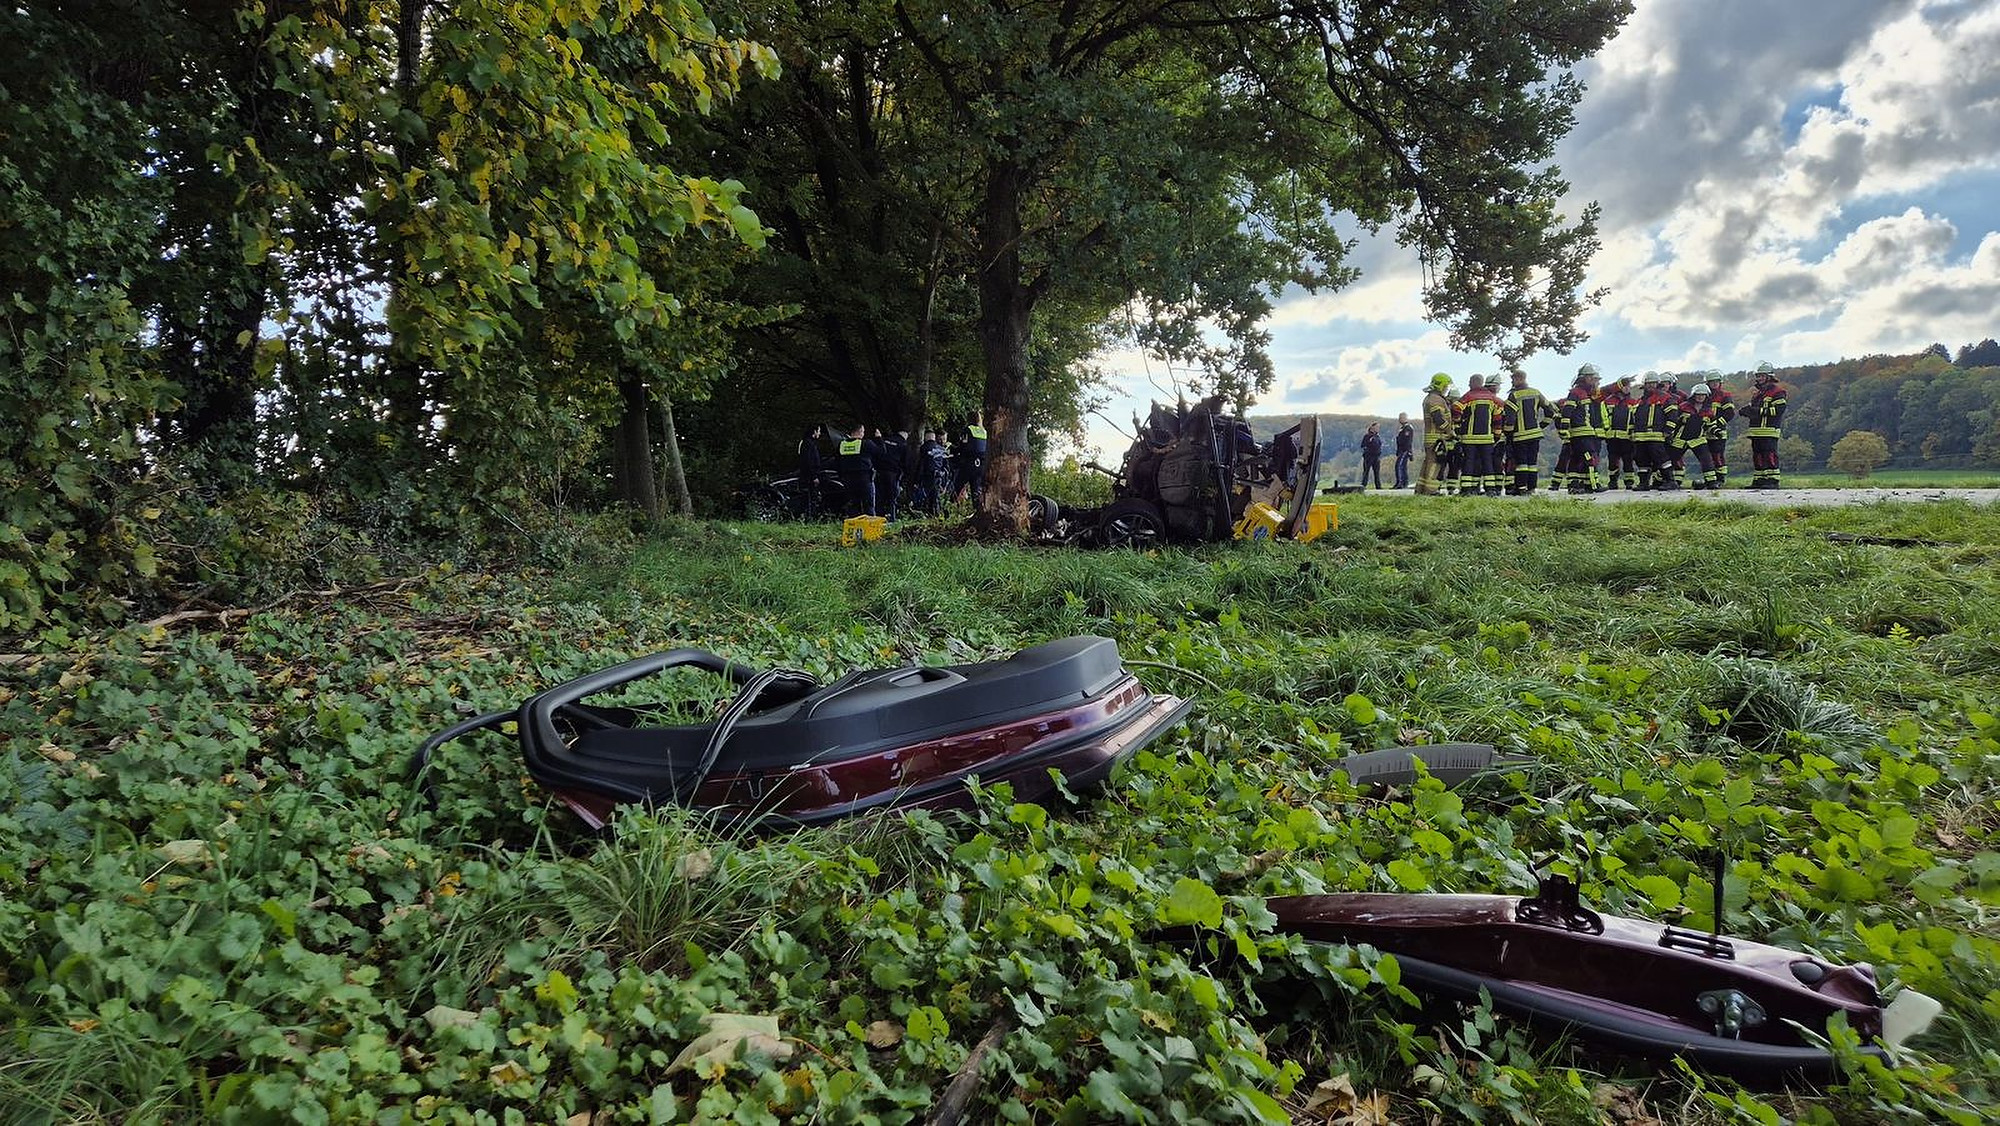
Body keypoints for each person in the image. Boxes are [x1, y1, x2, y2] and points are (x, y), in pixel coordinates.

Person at [1502, 370, 1552, 495]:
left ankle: (1521, 488)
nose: (1512, 382)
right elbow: (1551, 411)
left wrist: (1507, 434)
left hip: (1520, 436)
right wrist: (1541, 425)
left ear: (1519, 379)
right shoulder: (1536, 393)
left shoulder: (1514, 395)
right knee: (1532, 464)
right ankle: (1532, 488)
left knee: (1521, 464)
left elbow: (1510, 419)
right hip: (1535, 435)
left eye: (1513, 379)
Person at [1556, 364, 1603, 493]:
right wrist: (1564, 428)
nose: (1592, 379)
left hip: (1584, 433)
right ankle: (1593, 485)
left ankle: (1575, 485)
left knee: (1576, 459)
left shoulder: (1586, 393)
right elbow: (1567, 411)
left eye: (1592, 377)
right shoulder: (1576, 393)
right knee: (1590, 458)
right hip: (1581, 433)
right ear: (1583, 378)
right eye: (1589, 377)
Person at [1456, 375, 1505, 496]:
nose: (1468, 384)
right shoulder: (1493, 398)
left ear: (1473, 383)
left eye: (1469, 382)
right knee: (1488, 463)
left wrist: (1458, 426)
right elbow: (1497, 419)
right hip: (1487, 439)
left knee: (1469, 462)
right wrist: (1497, 435)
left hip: (1469, 438)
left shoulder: (1468, 396)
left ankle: (1466, 490)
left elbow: (1456, 408)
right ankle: (1490, 490)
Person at [1746, 361, 1787, 488]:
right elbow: (1755, 412)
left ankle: (1773, 480)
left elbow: (1779, 410)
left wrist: (1757, 411)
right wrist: (1747, 412)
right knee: (1757, 456)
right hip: (1756, 431)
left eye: (1762, 376)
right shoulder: (1758, 393)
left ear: (1769, 376)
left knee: (1769, 455)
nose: (1759, 378)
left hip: (1769, 430)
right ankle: (1759, 480)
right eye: (1758, 376)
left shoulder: (1777, 392)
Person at [1416, 373, 1452, 496]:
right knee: (1434, 464)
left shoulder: (1430, 398)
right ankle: (1430, 491)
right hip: (1436, 438)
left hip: (1431, 438)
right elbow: (1439, 420)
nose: (1446, 389)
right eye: (1446, 386)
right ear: (1440, 386)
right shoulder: (1436, 400)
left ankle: (1421, 489)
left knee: (1428, 463)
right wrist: (1449, 431)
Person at [836, 423, 878, 516]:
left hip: (848, 479)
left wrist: (841, 476)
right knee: (868, 505)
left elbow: (837, 462)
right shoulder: (865, 443)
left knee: (852, 505)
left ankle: (853, 523)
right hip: (864, 478)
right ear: (860, 431)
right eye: (863, 431)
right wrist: (879, 438)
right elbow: (881, 452)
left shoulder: (841, 445)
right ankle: (869, 523)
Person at [1602, 377, 1636, 489]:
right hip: (1612, 436)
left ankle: (1629, 482)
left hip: (1627, 437)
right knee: (1612, 461)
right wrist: (1606, 430)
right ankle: (1613, 481)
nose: (1627, 388)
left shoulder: (1633, 402)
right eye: (1625, 386)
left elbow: (1635, 419)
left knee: (1628, 460)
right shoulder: (1607, 401)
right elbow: (1604, 416)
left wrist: (1633, 433)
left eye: (1629, 386)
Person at [1706, 374, 1736, 487]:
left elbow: (1730, 413)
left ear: (1720, 383)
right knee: (1707, 457)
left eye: (1716, 381)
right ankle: (1710, 479)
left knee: (1717, 456)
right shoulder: (1704, 396)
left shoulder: (1725, 396)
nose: (1714, 383)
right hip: (1705, 433)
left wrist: (1717, 424)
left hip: (1719, 432)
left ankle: (1720, 478)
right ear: (1707, 383)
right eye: (1712, 381)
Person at [875, 426, 906, 519]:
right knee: (892, 496)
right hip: (893, 473)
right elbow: (905, 462)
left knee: (879, 495)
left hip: (879, 471)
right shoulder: (903, 444)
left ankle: (879, 516)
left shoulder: (885, 440)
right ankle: (891, 516)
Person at [958, 417, 988, 507]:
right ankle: (977, 508)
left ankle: (949, 505)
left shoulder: (968, 429)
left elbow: (963, 446)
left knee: (957, 485)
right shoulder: (984, 431)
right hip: (981, 464)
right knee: (976, 490)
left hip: (968, 462)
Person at [797, 424, 825, 518]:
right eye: (819, 431)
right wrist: (814, 476)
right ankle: (809, 517)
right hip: (809, 477)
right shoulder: (809, 444)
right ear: (814, 431)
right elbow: (808, 461)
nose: (819, 433)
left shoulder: (806, 443)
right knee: (810, 498)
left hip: (808, 476)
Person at [1359, 422, 1384, 489]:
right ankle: (1363, 485)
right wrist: (1369, 443)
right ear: (1372, 427)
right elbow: (1363, 445)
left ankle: (1378, 486)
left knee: (1377, 472)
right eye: (1377, 427)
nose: (1378, 429)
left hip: (1377, 456)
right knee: (1366, 471)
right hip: (1369, 456)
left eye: (1378, 427)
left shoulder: (1377, 436)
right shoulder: (1367, 436)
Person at [1394, 413, 1414, 488]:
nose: (1399, 419)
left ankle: (1400, 483)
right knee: (1403, 466)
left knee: (1399, 466)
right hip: (1401, 450)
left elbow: (1407, 441)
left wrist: (1409, 451)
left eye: (1401, 418)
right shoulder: (1402, 428)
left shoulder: (1407, 428)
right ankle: (1404, 483)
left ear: (1405, 418)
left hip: (1405, 450)